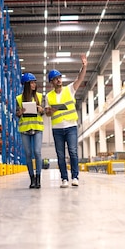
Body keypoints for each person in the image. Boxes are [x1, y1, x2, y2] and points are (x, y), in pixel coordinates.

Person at [44, 54, 87, 188]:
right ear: (51, 82)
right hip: (57, 129)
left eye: (59, 78)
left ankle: (75, 177)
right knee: (60, 155)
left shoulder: (70, 89)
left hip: (71, 127)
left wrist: (84, 66)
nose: (59, 80)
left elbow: (80, 78)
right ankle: (64, 179)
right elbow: (47, 113)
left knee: (73, 152)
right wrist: (51, 111)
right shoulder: (48, 96)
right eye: (55, 79)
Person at [16, 72, 45, 188]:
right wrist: (20, 112)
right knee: (28, 154)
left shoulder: (40, 96)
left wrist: (41, 109)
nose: (34, 84)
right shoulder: (19, 98)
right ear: (26, 85)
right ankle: (32, 179)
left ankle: (38, 179)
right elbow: (16, 113)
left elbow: (43, 112)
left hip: (37, 128)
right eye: (32, 83)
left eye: (34, 82)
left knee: (37, 152)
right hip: (25, 129)